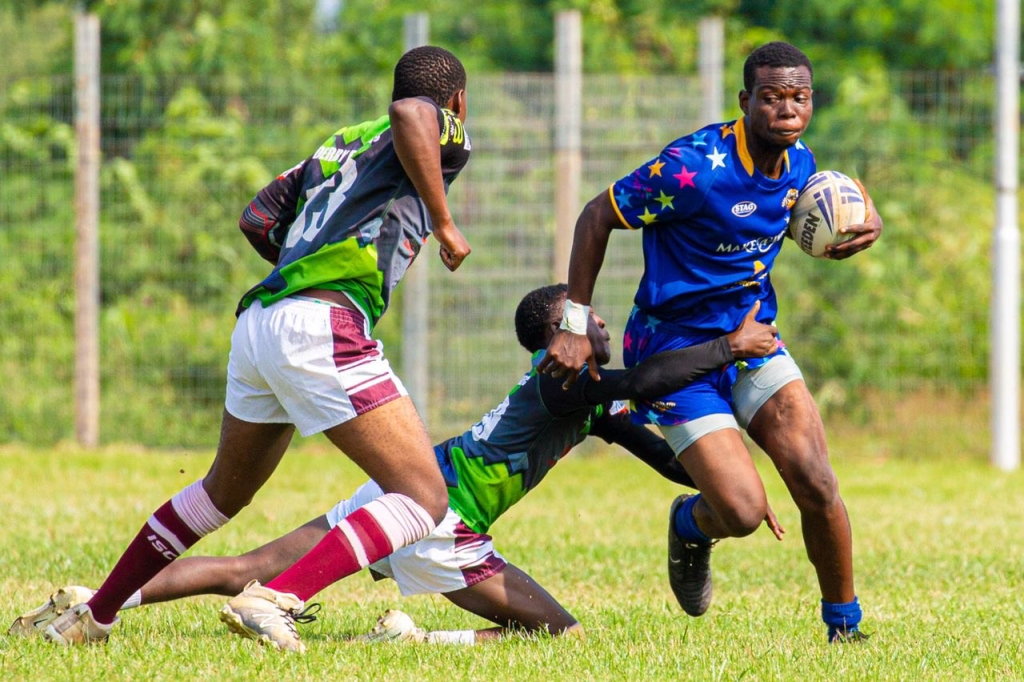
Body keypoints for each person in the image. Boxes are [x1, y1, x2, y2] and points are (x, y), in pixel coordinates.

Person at [13, 284, 782, 648]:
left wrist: (728, 486)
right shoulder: (562, 382)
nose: (601, 322)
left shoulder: (584, 397)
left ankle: (96, 601)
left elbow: (660, 451)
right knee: (562, 637)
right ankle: (411, 642)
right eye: (583, 319)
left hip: (399, 492)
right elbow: (645, 381)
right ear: (557, 338)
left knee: (247, 567)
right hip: (442, 519)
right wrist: (729, 348)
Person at [42, 46, 475, 648]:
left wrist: (301, 264)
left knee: (222, 492)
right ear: (458, 101)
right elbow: (412, 114)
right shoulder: (439, 122)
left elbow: (257, 217)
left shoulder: (340, 143)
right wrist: (444, 222)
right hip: (323, 323)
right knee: (423, 496)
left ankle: (96, 615)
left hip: (263, 322)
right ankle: (276, 597)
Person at [539, 42, 882, 643]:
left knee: (816, 479)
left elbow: (802, 214)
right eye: (771, 97)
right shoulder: (694, 169)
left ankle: (845, 628)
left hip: (754, 338)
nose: (787, 110)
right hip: (673, 350)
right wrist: (573, 322)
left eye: (800, 98)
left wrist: (862, 221)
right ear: (745, 101)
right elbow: (597, 214)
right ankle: (691, 526)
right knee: (742, 511)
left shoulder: (801, 163)